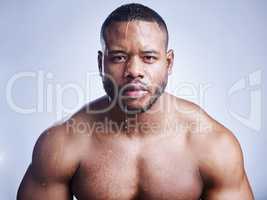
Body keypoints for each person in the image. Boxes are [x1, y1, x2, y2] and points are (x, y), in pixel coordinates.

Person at [17, 3, 254, 200]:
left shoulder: (213, 145)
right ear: (101, 64)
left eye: (149, 57)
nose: (133, 71)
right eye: (119, 57)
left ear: (169, 63)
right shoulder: (62, 144)